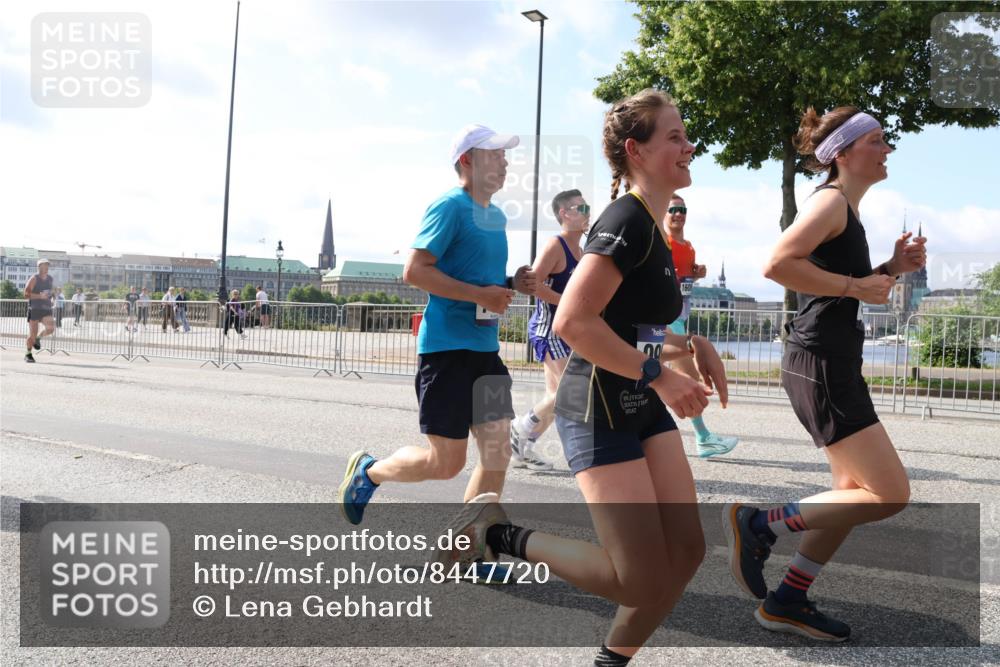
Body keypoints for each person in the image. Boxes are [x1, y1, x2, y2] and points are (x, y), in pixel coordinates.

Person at [434, 90, 730, 665]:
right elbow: (572, 320)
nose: (689, 145)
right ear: (635, 150)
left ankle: (610, 661)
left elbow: (628, 324)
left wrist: (692, 345)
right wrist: (660, 375)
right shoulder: (624, 221)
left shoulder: (649, 225)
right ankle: (496, 535)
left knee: (688, 550)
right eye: (674, 136)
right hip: (593, 405)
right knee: (638, 578)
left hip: (636, 398)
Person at [724, 106, 925, 642]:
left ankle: (788, 599)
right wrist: (859, 286)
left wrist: (888, 271)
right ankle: (759, 524)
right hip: (822, 363)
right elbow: (778, 265)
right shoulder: (831, 202)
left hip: (828, 360)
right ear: (843, 153)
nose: (887, 150)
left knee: (850, 494)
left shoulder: (843, 211)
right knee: (888, 494)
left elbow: (836, 281)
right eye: (879, 140)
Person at [339, 124, 536, 542]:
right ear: (467, 160)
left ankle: (468, 545)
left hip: (485, 350)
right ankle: (369, 471)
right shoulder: (448, 207)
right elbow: (415, 271)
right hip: (446, 350)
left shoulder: (496, 217)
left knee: (498, 450)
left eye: (505, 154)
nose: (505, 161)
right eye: (495, 153)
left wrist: (511, 283)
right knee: (446, 463)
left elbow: (479, 279)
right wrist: (478, 293)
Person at [510, 189, 590, 471]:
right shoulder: (555, 246)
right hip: (549, 329)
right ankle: (520, 427)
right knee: (570, 390)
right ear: (563, 214)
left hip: (567, 329)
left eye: (587, 207)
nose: (586, 213)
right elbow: (533, 284)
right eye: (580, 208)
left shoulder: (582, 250)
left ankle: (523, 447)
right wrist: (567, 302)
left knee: (554, 397)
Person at [662, 193, 739, 457]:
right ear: (664, 213)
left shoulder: (688, 246)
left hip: (680, 316)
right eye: (673, 210)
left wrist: (694, 276)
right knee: (689, 380)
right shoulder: (663, 242)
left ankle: (699, 437)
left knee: (672, 379)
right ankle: (702, 438)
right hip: (666, 319)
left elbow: (682, 281)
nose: (678, 214)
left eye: (682, 209)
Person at [24, 259, 57, 363]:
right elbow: (26, 294)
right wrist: (39, 296)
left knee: (51, 329)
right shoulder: (34, 278)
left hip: (46, 309)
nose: (46, 268)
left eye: (47, 266)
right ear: (39, 267)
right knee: (32, 333)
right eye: (44, 266)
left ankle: (38, 338)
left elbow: (51, 291)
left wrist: (53, 298)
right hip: (35, 309)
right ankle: (28, 354)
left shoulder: (50, 279)